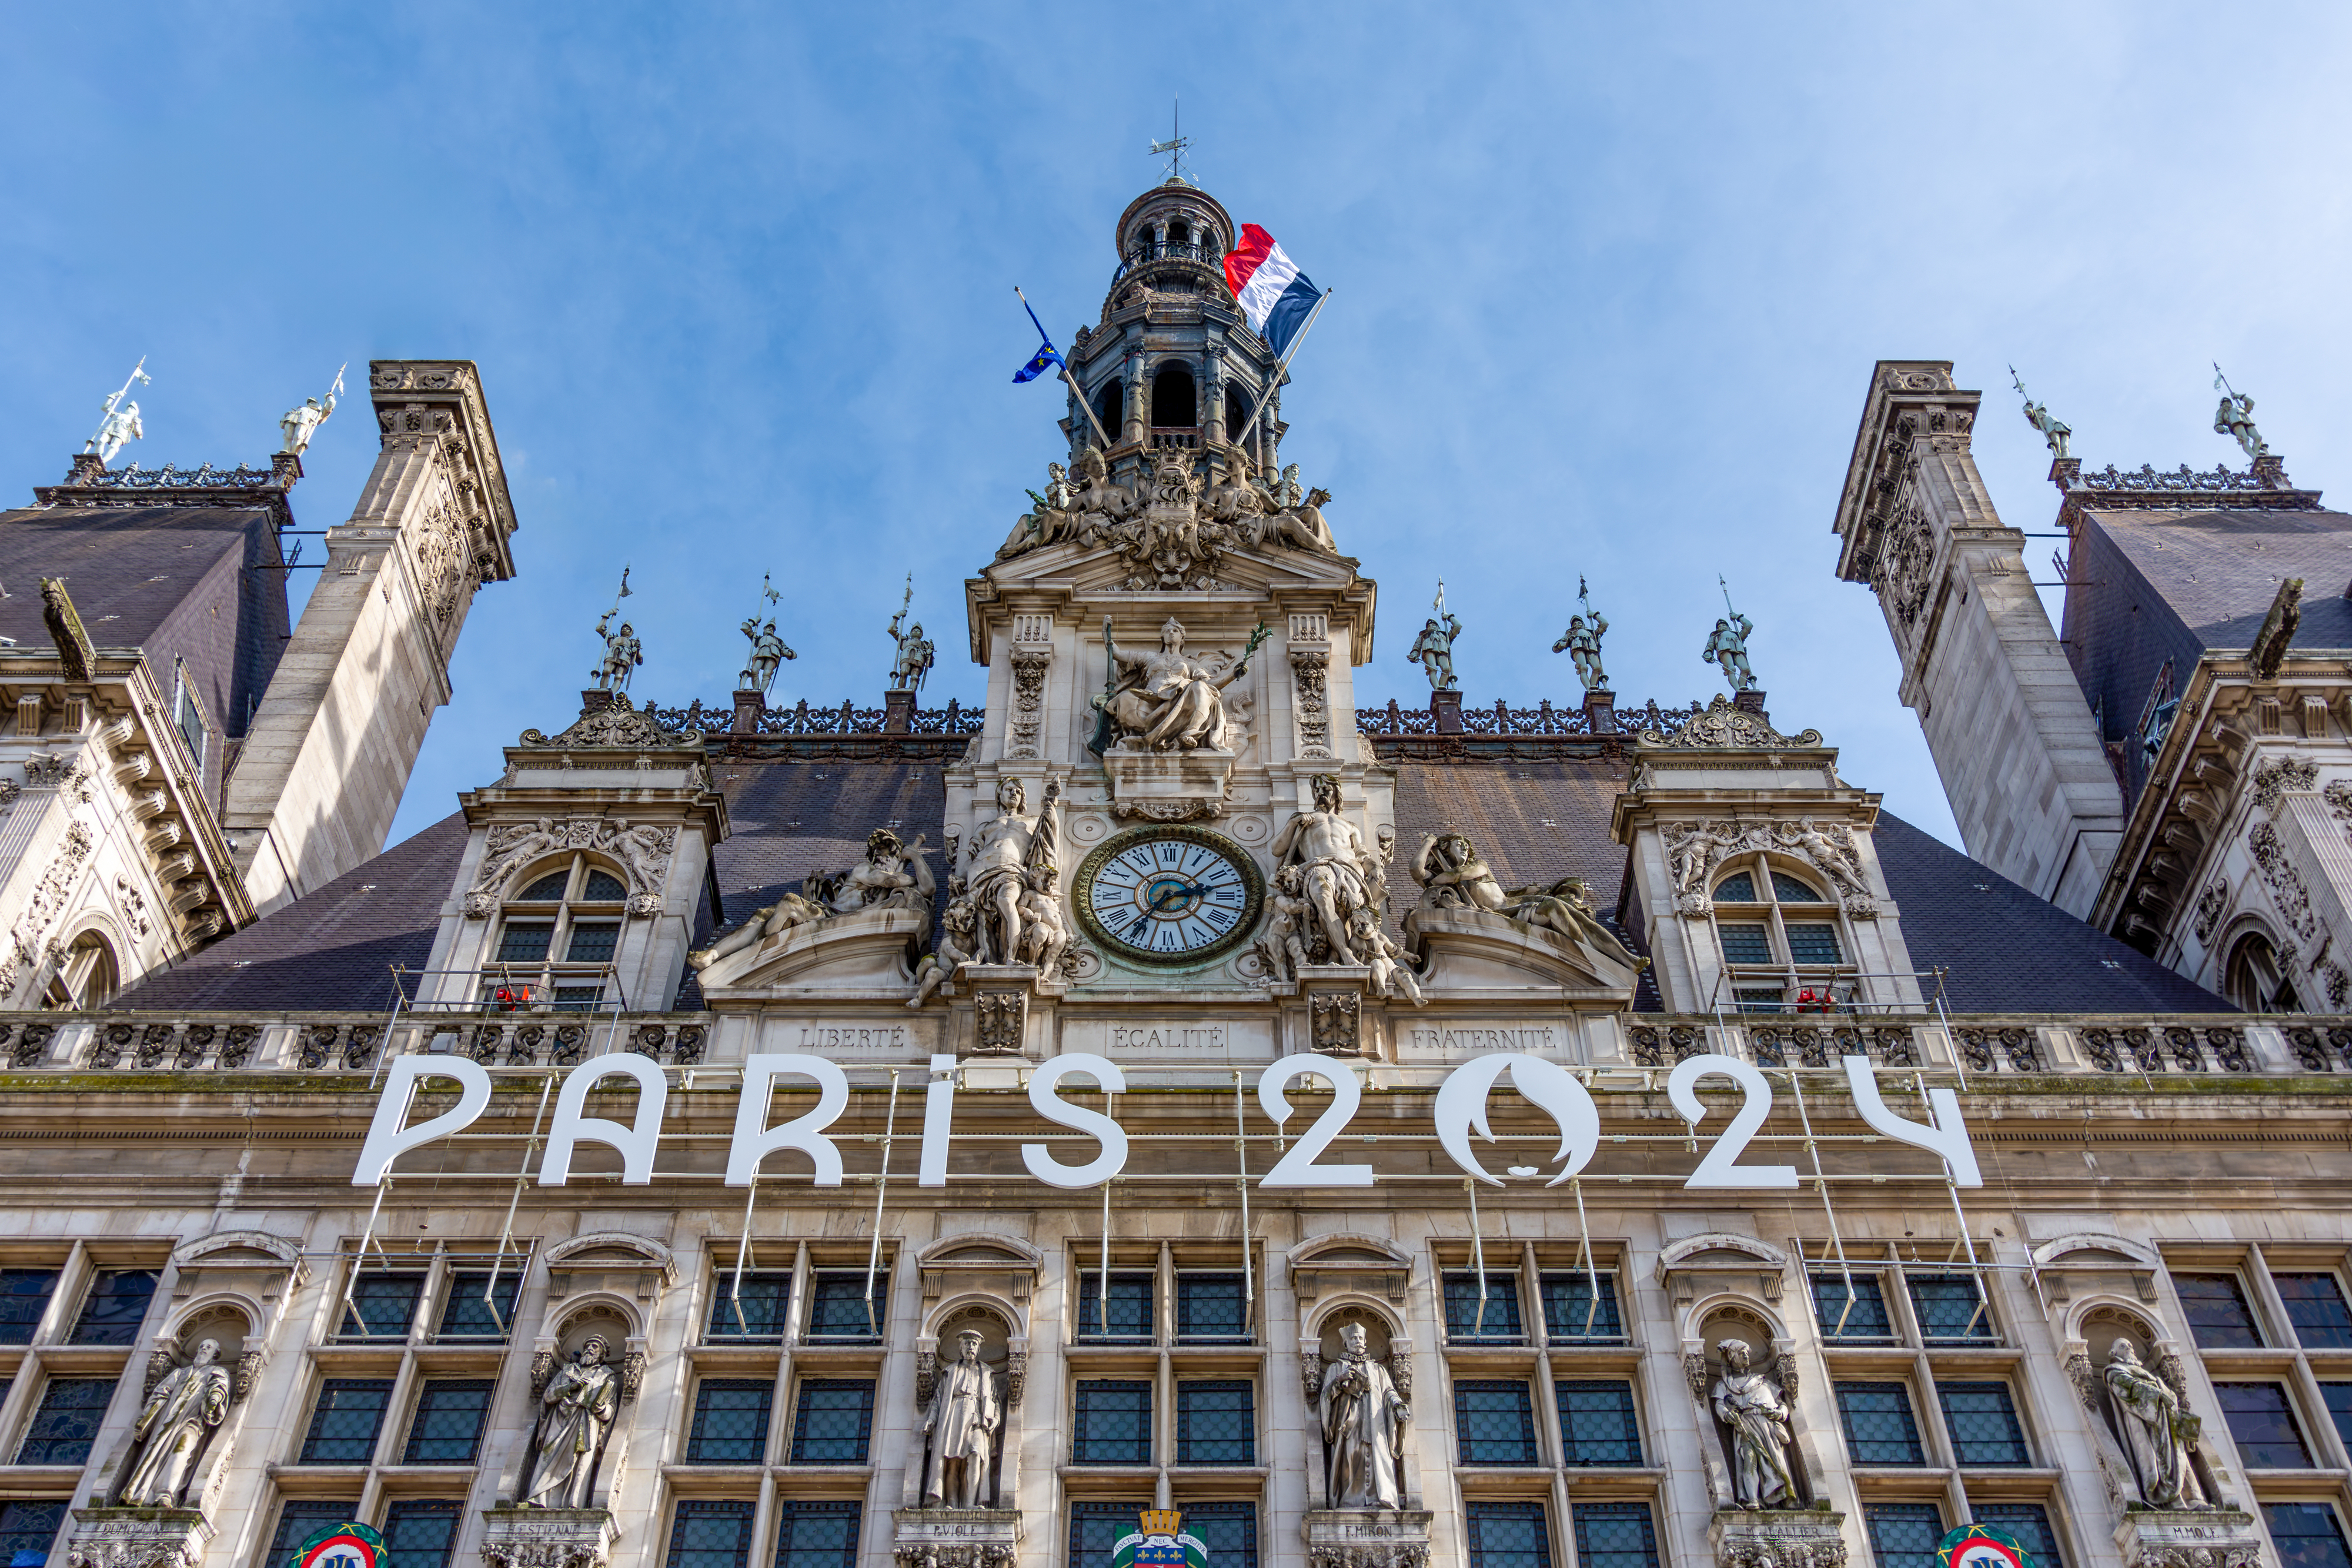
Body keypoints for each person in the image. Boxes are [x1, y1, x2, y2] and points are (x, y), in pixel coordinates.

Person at [1102, 617, 1250, 751]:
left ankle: (1190, 733)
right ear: (1163, 637)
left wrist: (1232, 675)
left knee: (1200, 687)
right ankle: (1150, 734)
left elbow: (1209, 683)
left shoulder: (1190, 663)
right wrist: (1105, 632)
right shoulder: (1149, 657)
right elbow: (1117, 653)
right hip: (1151, 698)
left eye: (1175, 631)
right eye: (1167, 631)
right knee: (1125, 697)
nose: (1171, 633)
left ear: (1182, 637)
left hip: (1180, 699)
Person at [115, 1338, 230, 1506]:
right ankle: (141, 1494)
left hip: (193, 1421)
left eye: (209, 1347)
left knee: (181, 1451)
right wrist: (148, 1415)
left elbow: (219, 1387)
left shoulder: (216, 1371)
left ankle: (166, 1494)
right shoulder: (180, 1373)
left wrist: (214, 1399)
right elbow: (161, 1393)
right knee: (154, 1455)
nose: (204, 1349)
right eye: (202, 1346)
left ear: (215, 1354)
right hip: (166, 1422)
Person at [2104, 1339, 2210, 1510]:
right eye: (2123, 1346)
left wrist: (2166, 1395)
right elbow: (2128, 1387)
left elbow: (2165, 1392)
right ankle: (2172, 1502)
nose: (2130, 1347)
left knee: (2179, 1456)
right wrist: (2157, 1394)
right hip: (2145, 1420)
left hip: (2166, 1418)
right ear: (2113, 1354)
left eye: (2130, 1345)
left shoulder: (2148, 1374)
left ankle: (2194, 1499)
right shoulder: (2114, 1371)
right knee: (2159, 1458)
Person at [1315, 1321, 1410, 1509]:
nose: (1357, 1341)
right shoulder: (1337, 1368)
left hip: (1376, 1427)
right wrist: (1338, 1381)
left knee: (1378, 1458)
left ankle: (1379, 1498)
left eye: (1360, 1338)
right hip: (1349, 1428)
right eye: (1353, 1338)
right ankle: (1350, 1500)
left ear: (1366, 1342)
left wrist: (1396, 1404)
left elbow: (1388, 1392)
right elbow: (1325, 1398)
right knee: (1352, 1460)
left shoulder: (1379, 1369)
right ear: (1346, 1344)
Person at [524, 1336, 620, 1509]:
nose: (590, 1348)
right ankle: (539, 1498)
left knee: (580, 1462)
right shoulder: (568, 1370)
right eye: (588, 1345)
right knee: (549, 1454)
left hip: (587, 1421)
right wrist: (571, 1387)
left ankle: (573, 1502)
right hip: (560, 1419)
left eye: (595, 1346)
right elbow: (549, 1396)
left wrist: (600, 1408)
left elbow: (610, 1410)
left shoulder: (607, 1375)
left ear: (602, 1354)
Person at [1711, 1340, 1801, 1509]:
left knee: (1778, 1461)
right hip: (1743, 1426)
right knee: (1749, 1460)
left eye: (1746, 1352)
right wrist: (1727, 1414)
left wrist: (1779, 1413)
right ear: (1731, 1358)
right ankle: (1753, 1499)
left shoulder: (1762, 1381)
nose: (1746, 1356)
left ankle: (1788, 1498)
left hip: (1767, 1426)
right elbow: (1719, 1405)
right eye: (1741, 1353)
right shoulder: (1724, 1386)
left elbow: (1781, 1404)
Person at [922, 1329, 1001, 1509]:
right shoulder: (951, 1371)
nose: (970, 1347)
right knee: (953, 1462)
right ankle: (952, 1503)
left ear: (979, 1348)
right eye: (967, 1343)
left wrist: (995, 1419)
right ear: (961, 1348)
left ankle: (969, 1504)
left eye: (974, 1344)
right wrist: (931, 1419)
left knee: (976, 1456)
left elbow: (995, 1400)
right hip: (954, 1415)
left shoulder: (986, 1373)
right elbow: (938, 1400)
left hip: (978, 1419)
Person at [1406, 612, 1461, 691]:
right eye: (1429, 626)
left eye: (1433, 625)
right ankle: (1437, 688)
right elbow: (1417, 646)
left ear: (1438, 627)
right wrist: (1414, 654)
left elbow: (1458, 626)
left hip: (1443, 650)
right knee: (1433, 669)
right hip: (1428, 650)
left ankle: (1442, 687)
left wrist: (1449, 617)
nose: (1431, 626)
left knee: (1446, 669)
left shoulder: (1445, 636)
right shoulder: (1423, 636)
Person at [740, 620, 796, 697]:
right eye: (769, 628)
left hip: (773, 654)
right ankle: (755, 690)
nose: (771, 630)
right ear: (765, 629)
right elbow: (746, 628)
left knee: (767, 673)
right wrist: (755, 621)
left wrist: (785, 652)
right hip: (760, 653)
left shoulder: (778, 640)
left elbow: (793, 654)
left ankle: (761, 693)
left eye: (772, 629)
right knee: (754, 670)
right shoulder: (759, 638)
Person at [1703, 614, 1756, 693]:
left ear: (1728, 627)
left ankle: (1742, 688)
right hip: (1724, 650)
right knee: (1731, 669)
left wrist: (1738, 617)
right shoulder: (1715, 637)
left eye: (1724, 625)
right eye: (1719, 626)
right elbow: (1709, 647)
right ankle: (1738, 690)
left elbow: (1749, 626)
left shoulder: (1738, 635)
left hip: (1738, 649)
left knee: (1745, 669)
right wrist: (1708, 654)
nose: (1721, 627)